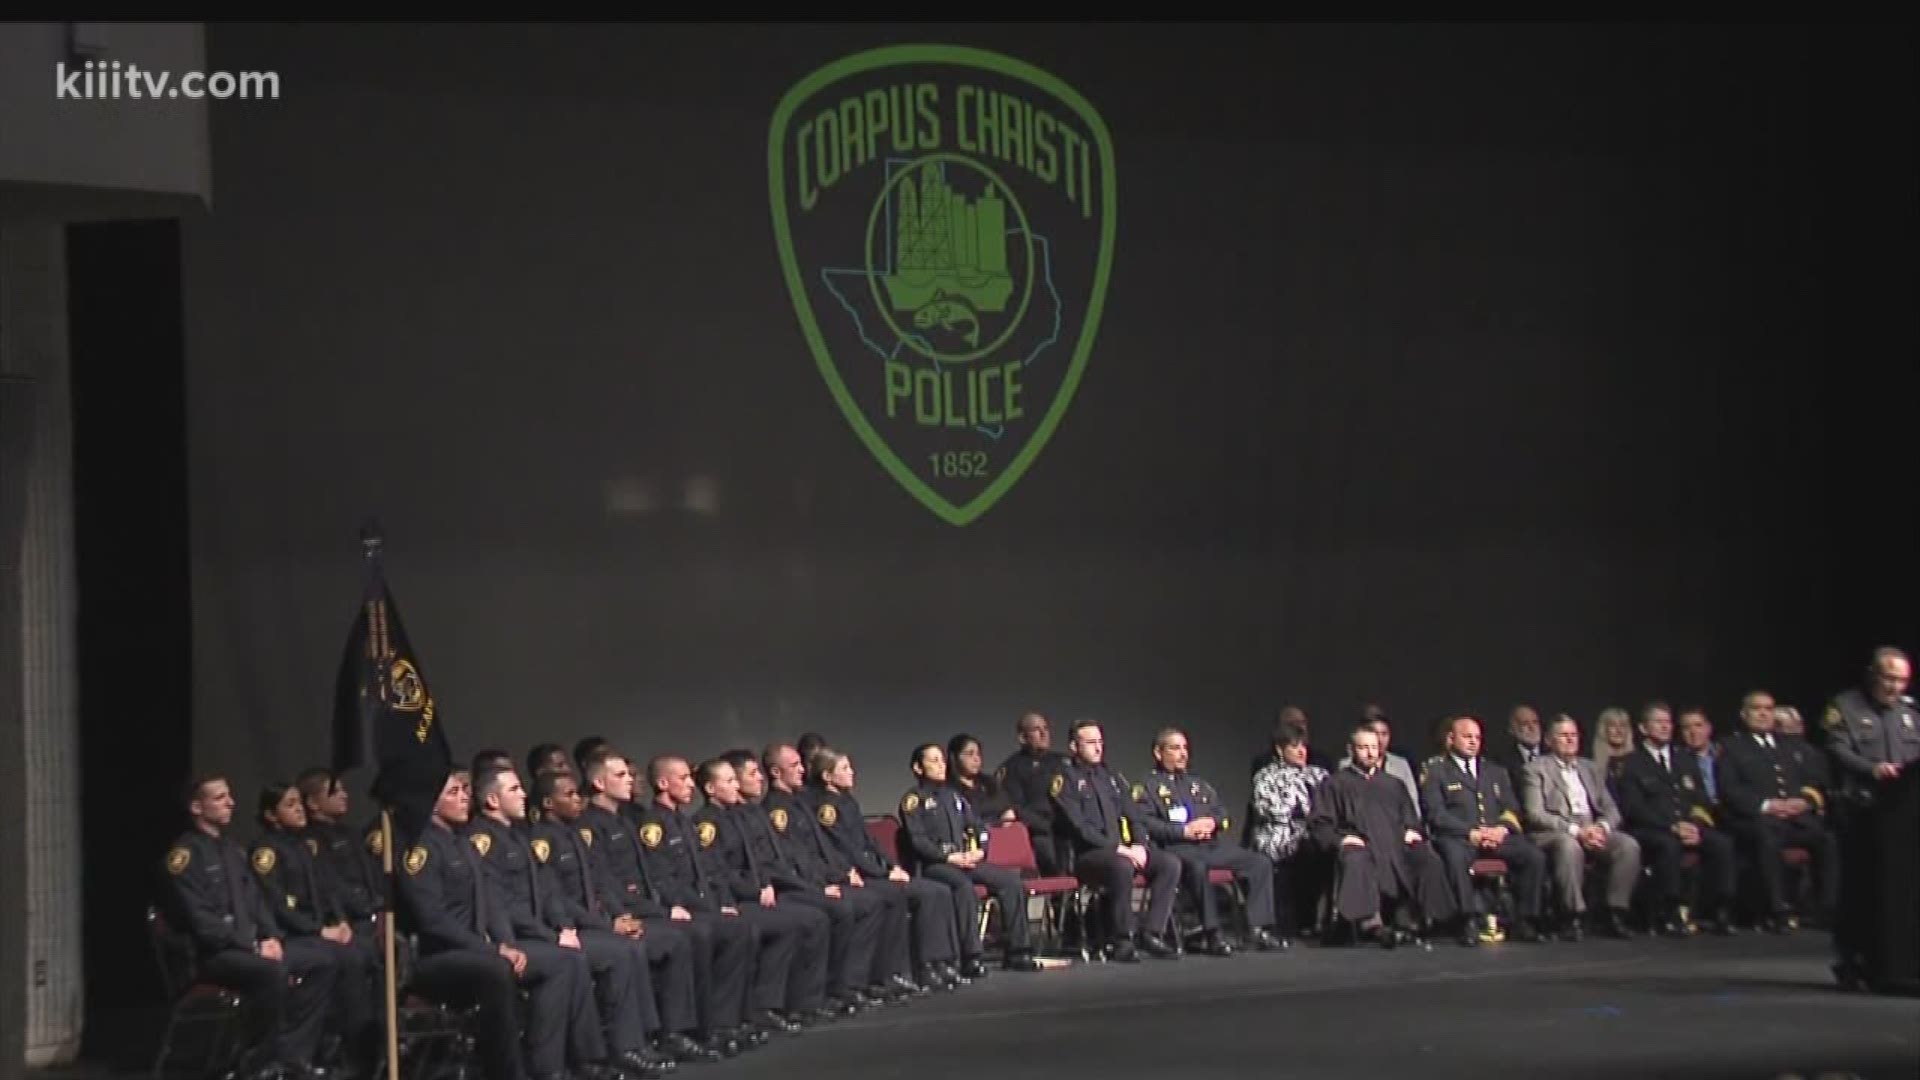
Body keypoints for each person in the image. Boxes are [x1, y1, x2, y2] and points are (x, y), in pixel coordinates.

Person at [162, 775, 340, 1080]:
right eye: (219, 798)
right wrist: (253, 946)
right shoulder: (185, 856)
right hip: (214, 954)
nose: (231, 802)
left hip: (248, 946)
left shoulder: (232, 850)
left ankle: (291, 1056)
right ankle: (256, 1063)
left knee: (323, 959)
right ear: (196, 807)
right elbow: (203, 923)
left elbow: (256, 903)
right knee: (271, 972)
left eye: (229, 795)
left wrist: (271, 936)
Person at [1134, 728, 1286, 954]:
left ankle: (1258, 929)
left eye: (1185, 748)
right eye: (1175, 748)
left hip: (1209, 845)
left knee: (1259, 862)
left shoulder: (1199, 784)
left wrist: (1213, 824)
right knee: (1197, 867)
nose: (1183, 754)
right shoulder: (1147, 786)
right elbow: (1146, 824)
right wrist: (1184, 832)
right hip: (1177, 848)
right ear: (1158, 752)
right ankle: (1212, 933)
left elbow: (1223, 815)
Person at [896, 743, 1043, 972]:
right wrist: (948, 857)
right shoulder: (913, 800)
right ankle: (971, 956)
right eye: (933, 761)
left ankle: (1019, 951)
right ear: (918, 767)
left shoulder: (953, 796)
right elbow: (919, 841)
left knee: (1011, 882)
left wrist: (980, 851)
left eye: (942, 760)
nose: (940, 765)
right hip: (935, 865)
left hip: (966, 860)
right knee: (963, 887)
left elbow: (979, 827)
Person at [1823, 647, 1920, 987]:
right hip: (1861, 811)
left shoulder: (1910, 713)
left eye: (1902, 681)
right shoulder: (1845, 707)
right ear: (1872, 675)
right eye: (1889, 679)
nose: (1896, 687)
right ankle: (1850, 959)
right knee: (1857, 890)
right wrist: (1873, 770)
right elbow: (1837, 749)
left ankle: (1892, 959)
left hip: (1902, 818)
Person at [1307, 725, 1455, 947]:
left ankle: (1421, 921)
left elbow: (1410, 819)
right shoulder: (1335, 784)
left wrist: (1411, 831)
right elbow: (1320, 823)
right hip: (1361, 844)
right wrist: (1341, 840)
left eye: (1374, 747)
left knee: (1426, 857)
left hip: (1394, 845)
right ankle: (1369, 924)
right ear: (1351, 750)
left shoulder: (1393, 784)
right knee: (1356, 859)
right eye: (1363, 747)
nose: (1370, 753)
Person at [1050, 720, 1182, 961]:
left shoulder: (1112, 777)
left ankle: (1152, 933)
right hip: (1088, 855)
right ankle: (1122, 939)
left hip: (1124, 850)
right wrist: (1120, 849)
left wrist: (1140, 845)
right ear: (1073, 746)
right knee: (1122, 866)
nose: (1098, 748)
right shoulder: (1064, 781)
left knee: (1169, 864)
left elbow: (1135, 817)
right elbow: (1080, 829)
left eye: (1100, 742)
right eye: (1091, 742)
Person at [1419, 715, 1547, 945]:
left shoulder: (1495, 771)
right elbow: (1436, 814)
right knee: (1455, 856)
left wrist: (1501, 829)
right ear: (1451, 738)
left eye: (1477, 737)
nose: (1473, 742)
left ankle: (1526, 920)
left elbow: (1512, 808)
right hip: (1460, 837)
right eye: (1467, 737)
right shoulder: (1437, 771)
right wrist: (1471, 832)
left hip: (1496, 836)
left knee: (1533, 856)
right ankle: (1467, 919)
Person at [1615, 703, 1737, 936]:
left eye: (1668, 722)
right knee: (1668, 846)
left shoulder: (1684, 759)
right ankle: (1669, 911)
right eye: (1658, 722)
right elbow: (1634, 808)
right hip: (1651, 829)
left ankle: (1721, 910)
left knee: (1722, 844)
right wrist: (1671, 826)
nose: (1664, 726)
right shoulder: (1631, 763)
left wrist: (1696, 825)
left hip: (1687, 825)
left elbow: (1700, 800)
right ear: (1643, 728)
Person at [1518, 717, 1639, 939]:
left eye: (1573, 735)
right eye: (1563, 735)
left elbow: (1612, 809)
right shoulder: (1535, 769)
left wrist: (1601, 828)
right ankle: (1573, 915)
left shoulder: (1591, 768)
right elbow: (1535, 814)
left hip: (1592, 828)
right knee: (1569, 845)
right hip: (1554, 832)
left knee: (1628, 845)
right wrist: (1576, 830)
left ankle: (1615, 913)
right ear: (1549, 741)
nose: (1570, 739)